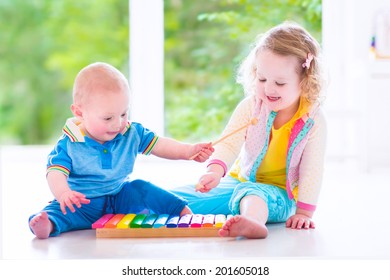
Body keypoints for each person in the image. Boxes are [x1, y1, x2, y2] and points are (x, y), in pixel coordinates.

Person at [173, 22, 327, 239]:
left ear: (305, 81)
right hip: (240, 182)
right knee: (177, 200)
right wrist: (214, 172)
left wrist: (304, 213)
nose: (268, 89)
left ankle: (251, 222)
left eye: (280, 83)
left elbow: (312, 170)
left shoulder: (313, 120)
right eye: (262, 79)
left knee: (254, 195)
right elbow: (229, 143)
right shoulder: (251, 107)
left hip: (281, 195)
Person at [29, 62, 213, 239]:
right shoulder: (68, 143)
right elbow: (55, 172)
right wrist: (63, 193)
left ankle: (181, 211)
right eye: (108, 118)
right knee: (60, 210)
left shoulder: (131, 132)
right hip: (82, 203)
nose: (118, 124)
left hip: (120, 196)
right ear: (79, 113)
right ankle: (47, 225)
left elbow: (160, 145)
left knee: (141, 188)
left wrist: (188, 151)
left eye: (124, 114)